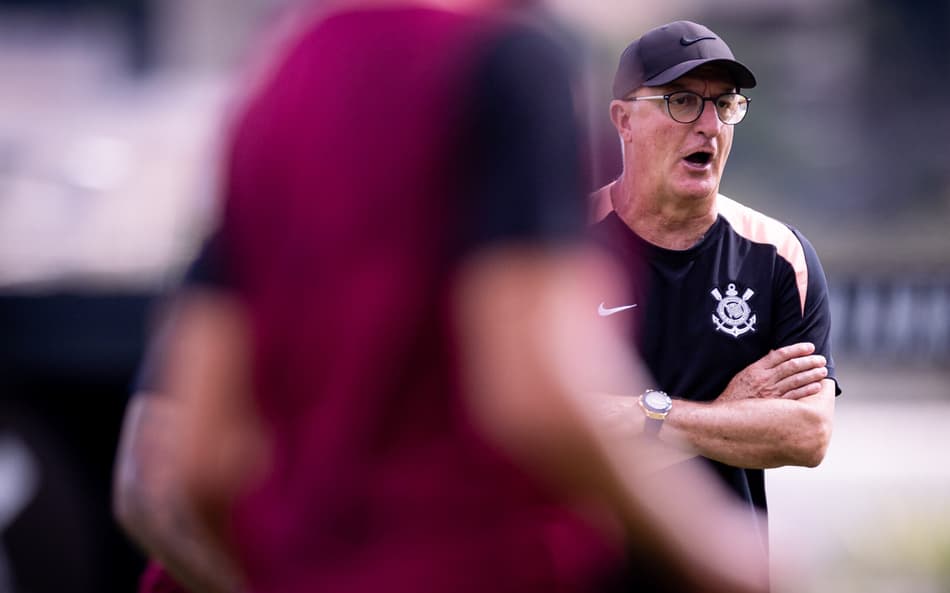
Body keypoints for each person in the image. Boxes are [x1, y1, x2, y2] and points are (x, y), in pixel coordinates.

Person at [116, 5, 776, 593]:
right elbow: (533, 394)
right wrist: (718, 553)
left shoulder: (274, 90)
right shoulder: (507, 60)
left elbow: (191, 462)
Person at [589, 19, 841, 551]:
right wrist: (727, 415)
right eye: (681, 101)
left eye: (724, 104)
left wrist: (645, 415)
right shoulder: (558, 247)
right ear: (623, 119)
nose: (709, 124)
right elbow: (533, 438)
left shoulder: (779, 256)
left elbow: (808, 435)